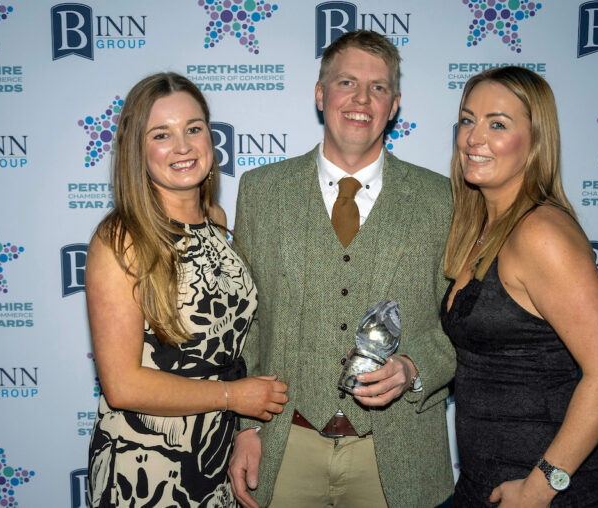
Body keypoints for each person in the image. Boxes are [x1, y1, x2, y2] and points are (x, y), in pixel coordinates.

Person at [228, 30, 455, 508]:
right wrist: (246, 427)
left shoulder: (442, 199)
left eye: (378, 88)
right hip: (286, 444)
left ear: (394, 104)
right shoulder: (261, 192)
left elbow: (460, 327)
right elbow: (244, 325)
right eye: (347, 82)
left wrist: (415, 368)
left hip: (399, 451)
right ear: (320, 93)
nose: (361, 99)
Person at [85, 72, 288, 507]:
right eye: (162, 134)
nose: (183, 146)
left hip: (213, 456)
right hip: (146, 466)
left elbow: (230, 346)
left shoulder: (216, 222)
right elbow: (121, 385)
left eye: (194, 129)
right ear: (137, 151)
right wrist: (235, 398)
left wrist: (242, 425)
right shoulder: (121, 240)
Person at [440, 66, 598, 507]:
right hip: (483, 485)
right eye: (468, 120)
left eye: (498, 124)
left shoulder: (541, 232)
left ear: (536, 141)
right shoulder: (481, 231)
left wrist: (539, 488)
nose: (474, 137)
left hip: (539, 492)